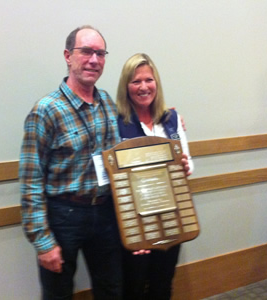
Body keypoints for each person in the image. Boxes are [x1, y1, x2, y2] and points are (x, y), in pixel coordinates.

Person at [19, 25, 122, 300]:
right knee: (58, 294)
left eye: (100, 53)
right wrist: (42, 242)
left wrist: (168, 119)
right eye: (86, 51)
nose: (94, 60)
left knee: (112, 289)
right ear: (68, 55)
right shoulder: (46, 110)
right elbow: (31, 181)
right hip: (64, 216)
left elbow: (127, 150)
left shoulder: (108, 104)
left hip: (105, 213)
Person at [116, 53, 194, 300]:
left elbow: (188, 164)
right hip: (137, 220)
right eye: (135, 81)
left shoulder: (171, 120)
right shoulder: (116, 122)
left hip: (171, 215)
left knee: (163, 284)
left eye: (148, 80)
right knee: (134, 287)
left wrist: (184, 167)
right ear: (126, 87)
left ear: (156, 83)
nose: (143, 87)